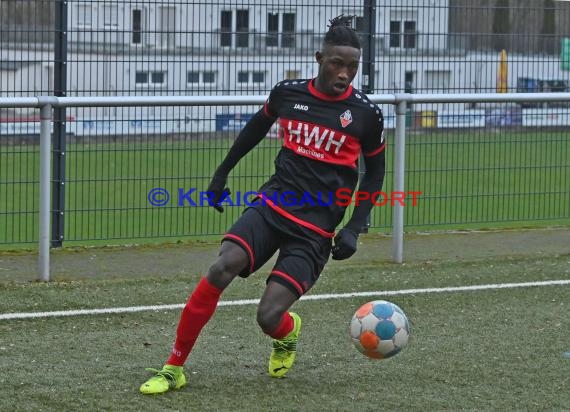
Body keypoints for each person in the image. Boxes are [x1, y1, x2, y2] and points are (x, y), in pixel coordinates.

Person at [140, 14, 386, 395]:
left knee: (268, 316)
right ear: (319, 57)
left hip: (315, 230)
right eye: (337, 63)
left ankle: (287, 334)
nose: (344, 73)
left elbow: (374, 174)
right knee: (223, 266)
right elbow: (255, 128)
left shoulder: (366, 115)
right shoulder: (287, 94)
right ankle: (173, 367)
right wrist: (221, 175)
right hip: (273, 206)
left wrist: (355, 227)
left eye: (353, 66)